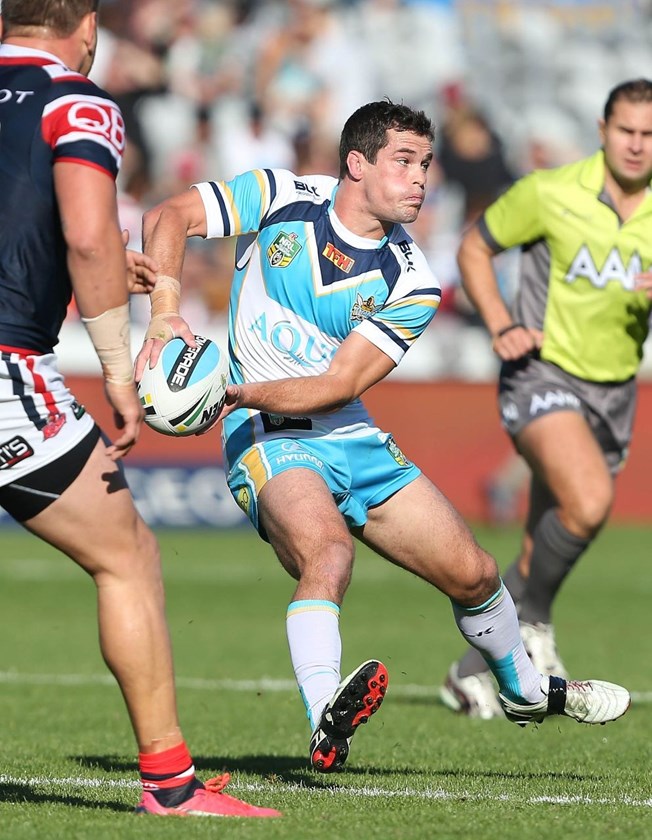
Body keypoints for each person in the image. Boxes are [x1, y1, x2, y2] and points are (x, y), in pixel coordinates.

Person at [137, 99, 631, 771]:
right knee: (328, 555)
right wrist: (166, 315)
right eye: (403, 161)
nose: (420, 178)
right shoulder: (281, 195)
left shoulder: (414, 278)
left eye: (425, 164)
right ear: (357, 163)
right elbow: (170, 216)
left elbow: (339, 385)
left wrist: (225, 388)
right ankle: (323, 724)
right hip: (266, 435)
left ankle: (521, 691)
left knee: (477, 574)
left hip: (345, 431)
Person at [0, 0, 280, 819]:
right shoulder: (76, 101)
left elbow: (53, 239)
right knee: (128, 554)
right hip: (8, 369)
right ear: (86, 24)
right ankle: (172, 785)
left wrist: (71, 263)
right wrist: (119, 373)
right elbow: (88, 237)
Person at [440, 78, 652, 718]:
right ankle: (533, 632)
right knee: (587, 504)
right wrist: (501, 321)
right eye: (627, 131)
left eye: (649, 135)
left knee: (541, 549)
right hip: (543, 375)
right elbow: (474, 246)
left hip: (616, 390)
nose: (638, 145)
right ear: (601, 128)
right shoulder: (549, 191)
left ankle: (469, 672)